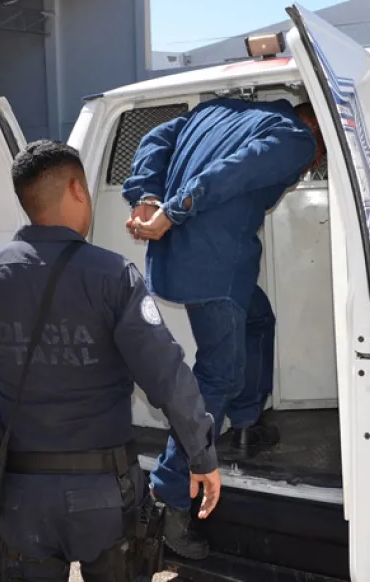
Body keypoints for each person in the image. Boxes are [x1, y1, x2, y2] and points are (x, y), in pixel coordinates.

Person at [0, 140, 221, 581]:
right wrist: (201, 456)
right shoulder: (114, 277)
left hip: (19, 495)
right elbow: (165, 377)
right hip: (106, 494)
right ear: (76, 190)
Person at [120, 97, 325, 558]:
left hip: (180, 258)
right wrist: (174, 207)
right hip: (215, 267)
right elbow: (237, 169)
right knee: (218, 373)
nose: (313, 162)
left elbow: (155, 139)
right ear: (315, 127)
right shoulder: (296, 137)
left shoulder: (215, 110)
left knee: (258, 318)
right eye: (320, 155)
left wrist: (149, 197)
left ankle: (247, 422)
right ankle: (167, 501)